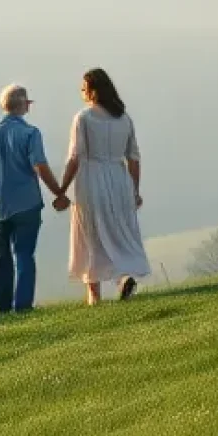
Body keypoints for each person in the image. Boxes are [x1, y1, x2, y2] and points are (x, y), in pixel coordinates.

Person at [0, 84, 70, 313]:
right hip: (27, 204)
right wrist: (58, 192)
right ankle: (23, 305)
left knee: (1, 257)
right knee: (24, 254)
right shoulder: (30, 133)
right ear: (25, 105)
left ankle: (3, 306)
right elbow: (40, 166)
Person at [62, 67, 150, 304]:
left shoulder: (84, 118)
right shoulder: (124, 119)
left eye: (84, 88)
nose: (82, 92)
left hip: (91, 179)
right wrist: (134, 190)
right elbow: (134, 157)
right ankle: (124, 276)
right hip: (119, 179)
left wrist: (61, 189)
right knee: (119, 230)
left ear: (93, 91)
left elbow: (75, 156)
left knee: (91, 233)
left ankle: (94, 293)